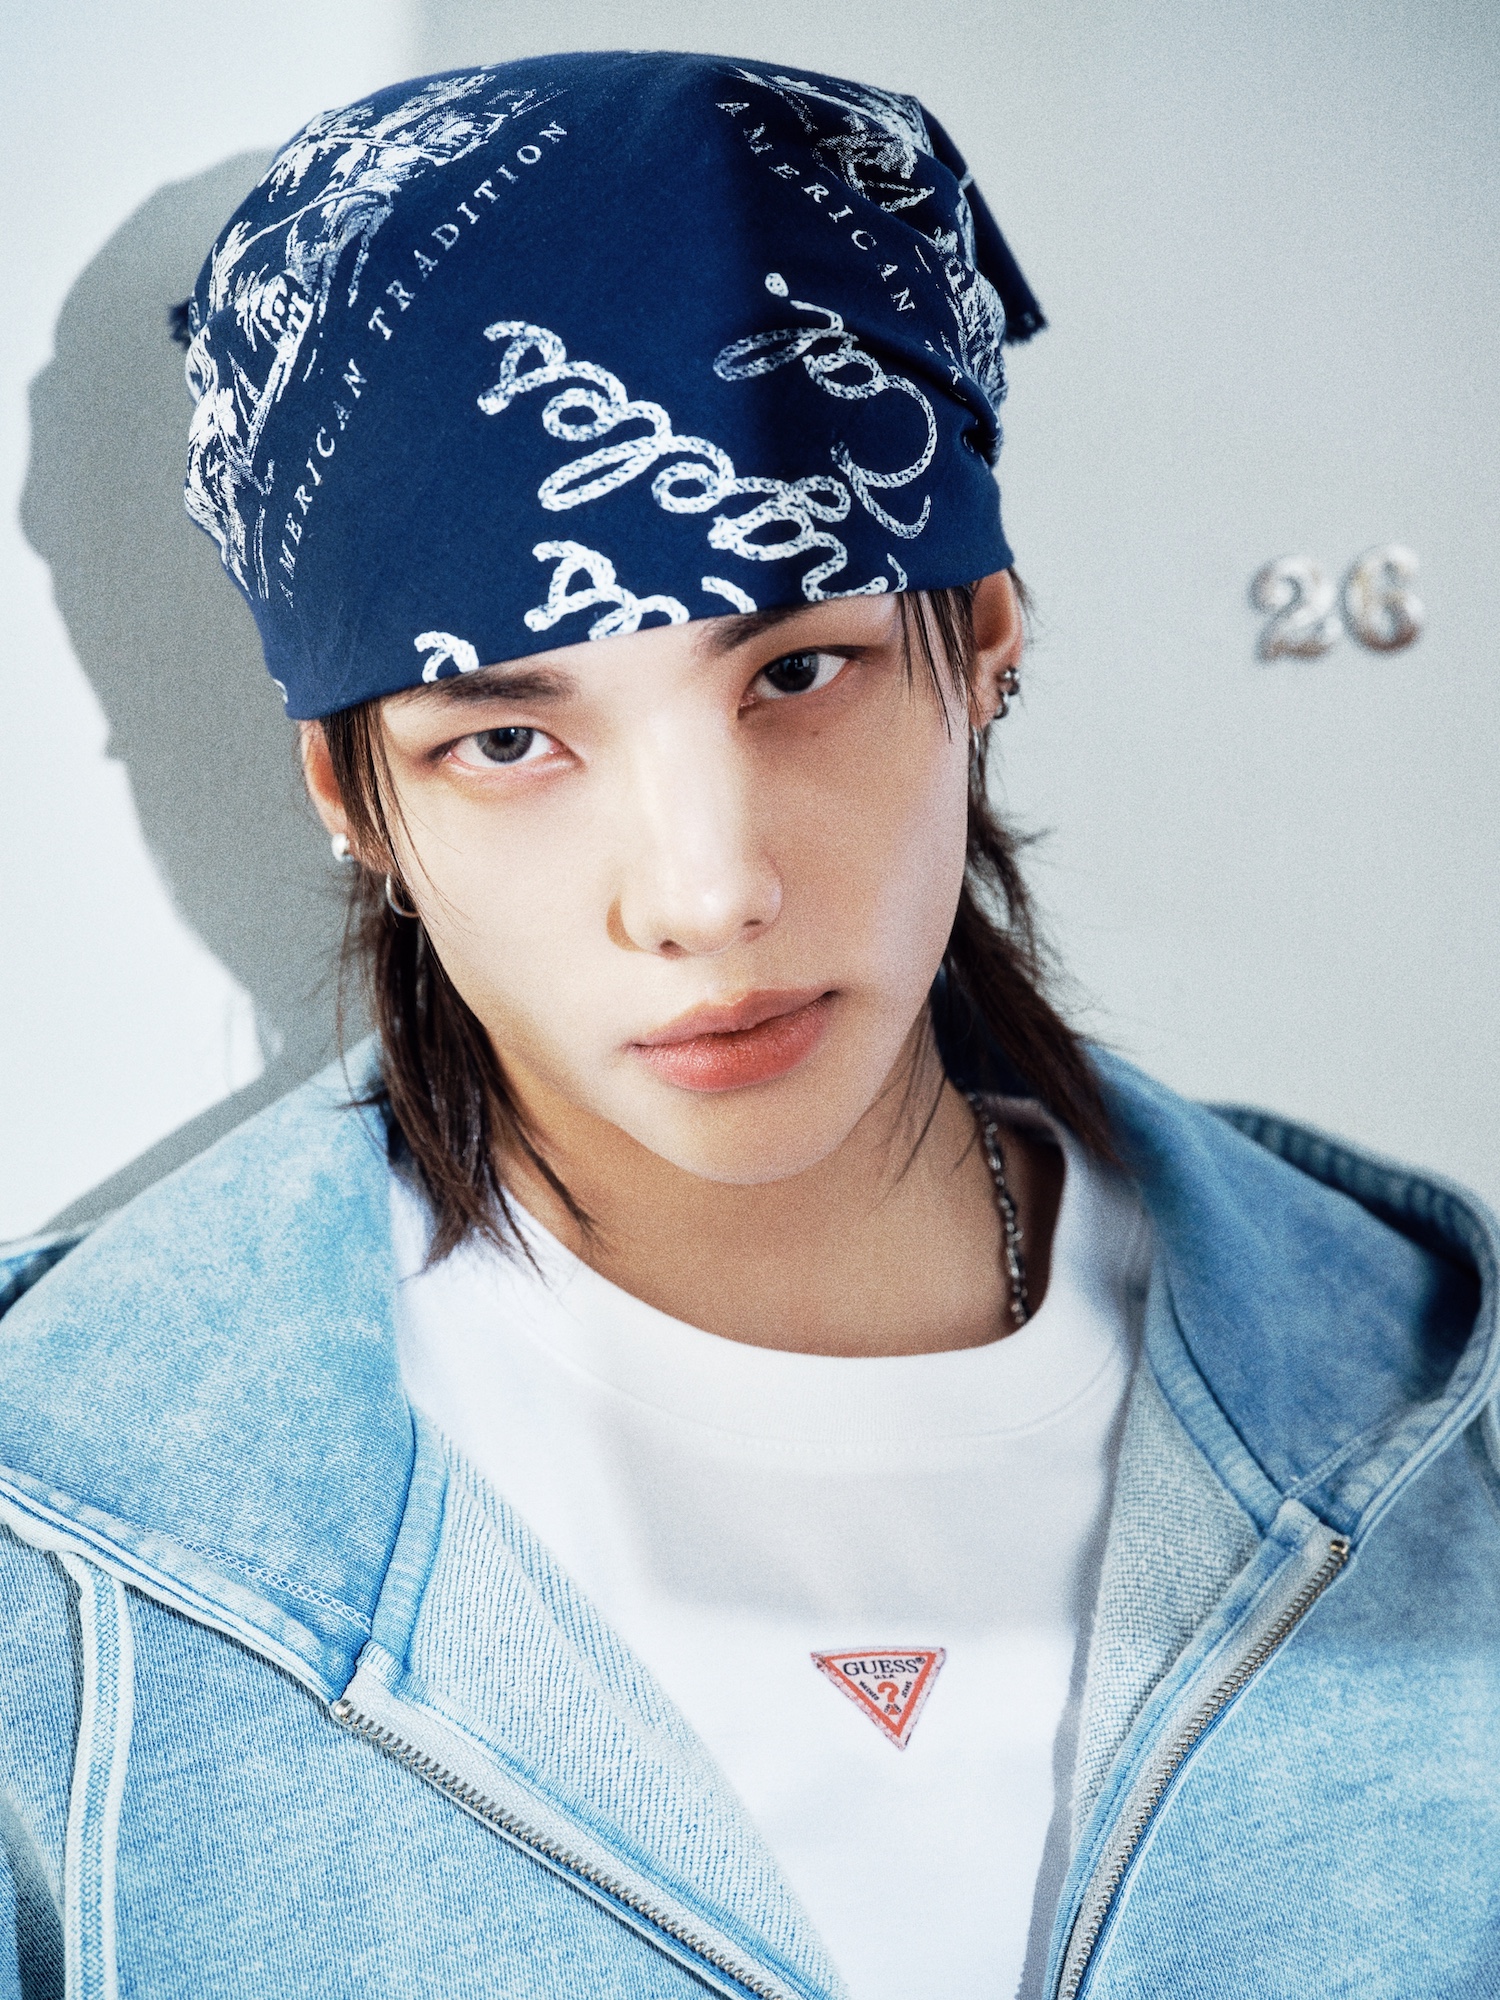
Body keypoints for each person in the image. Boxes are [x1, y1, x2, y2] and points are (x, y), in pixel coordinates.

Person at [0, 50, 1495, 2000]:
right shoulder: (63, 1549)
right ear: (355, 792)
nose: (703, 892)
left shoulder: (1434, 1417)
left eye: (796, 669)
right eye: (510, 737)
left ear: (986, 638)